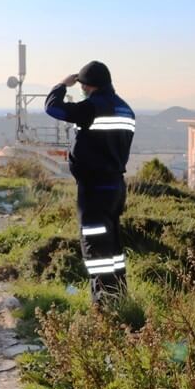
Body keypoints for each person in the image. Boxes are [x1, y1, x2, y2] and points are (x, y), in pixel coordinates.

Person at [45, 61, 134, 303]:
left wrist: (63, 85)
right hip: (115, 187)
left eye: (83, 85)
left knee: (96, 249)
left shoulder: (92, 108)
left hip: (94, 190)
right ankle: (119, 299)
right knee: (113, 248)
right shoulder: (126, 110)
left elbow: (53, 108)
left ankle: (104, 307)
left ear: (87, 85)